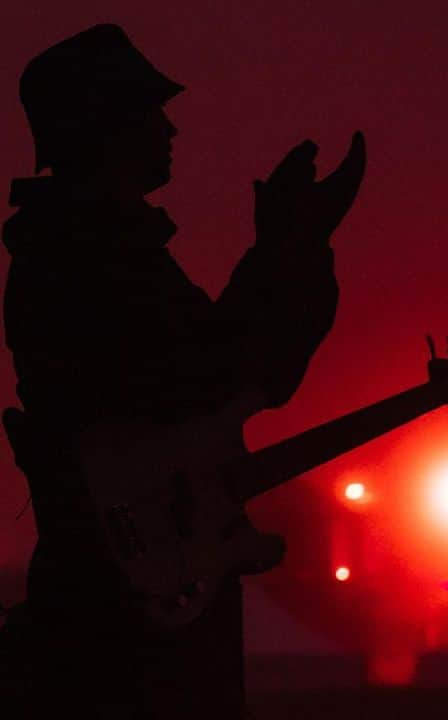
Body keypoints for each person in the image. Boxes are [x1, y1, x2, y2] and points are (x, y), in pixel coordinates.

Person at [0, 23, 365, 718]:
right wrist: (292, 247)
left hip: (123, 597)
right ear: (105, 126)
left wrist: (285, 250)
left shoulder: (81, 250)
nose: (170, 128)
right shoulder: (89, 257)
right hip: (131, 620)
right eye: (150, 111)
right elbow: (221, 374)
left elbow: (215, 367)